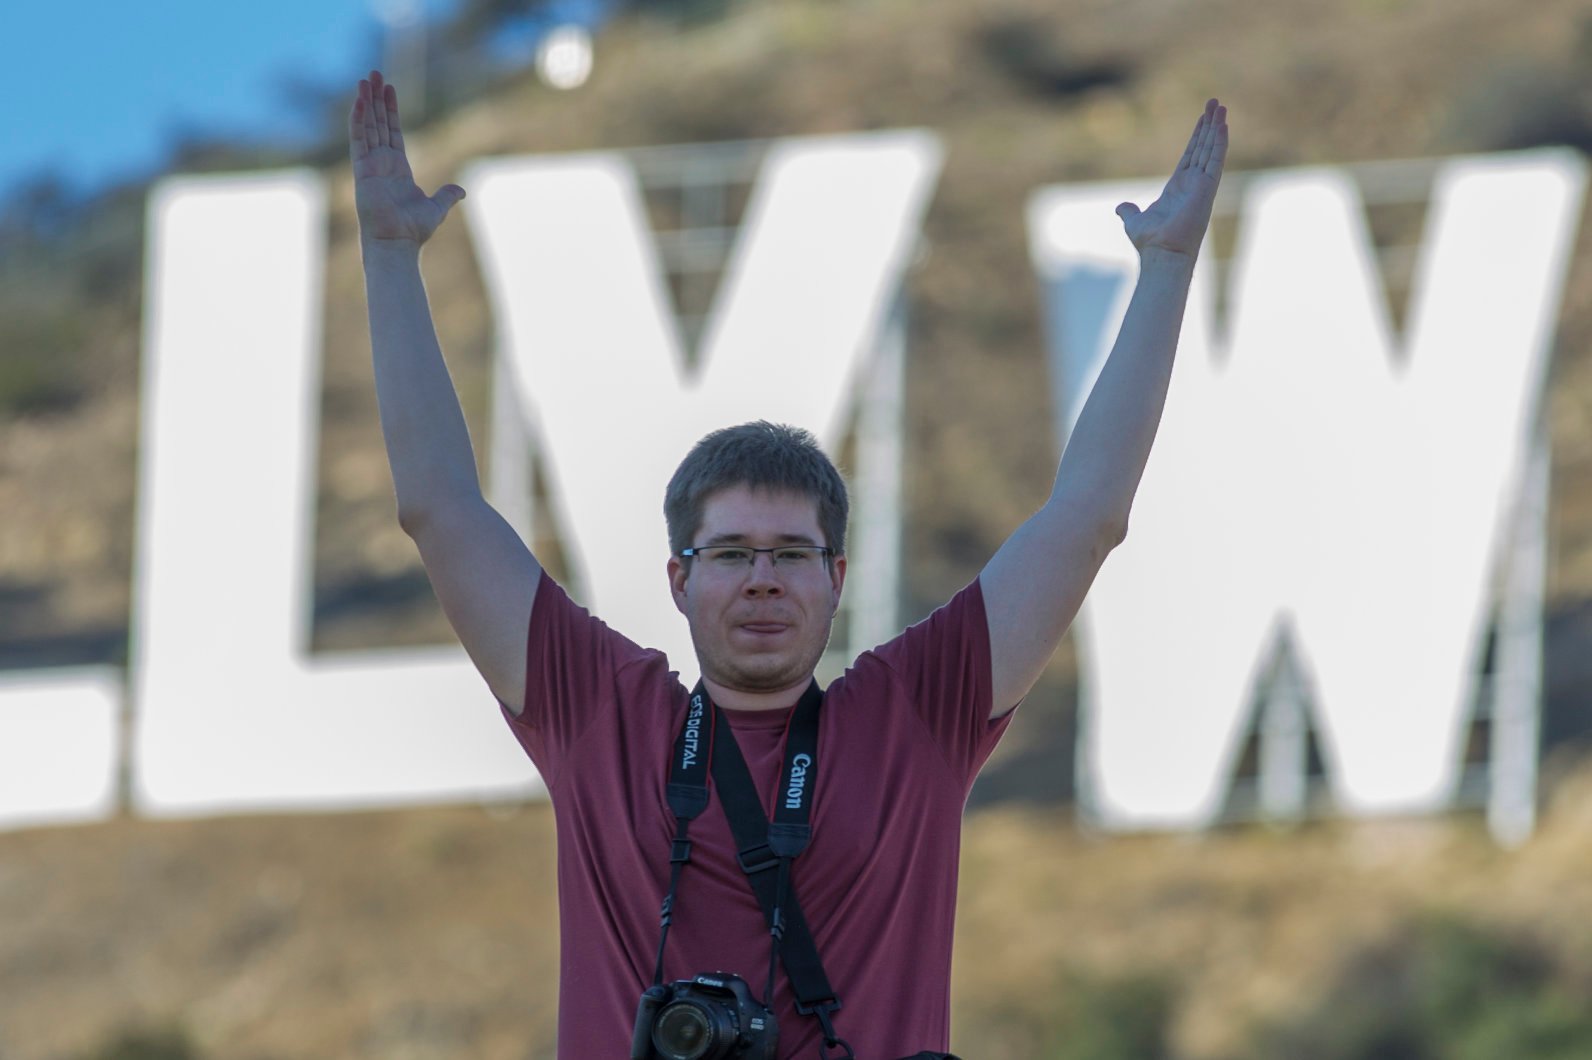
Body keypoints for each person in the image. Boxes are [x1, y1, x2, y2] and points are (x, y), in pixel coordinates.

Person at [350, 68, 1228, 1058]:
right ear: (678, 579)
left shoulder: (912, 715)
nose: (762, 577)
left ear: (837, 578)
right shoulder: (599, 713)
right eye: (729, 553)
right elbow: (440, 511)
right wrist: (388, 256)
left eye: (790, 554)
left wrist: (1163, 270)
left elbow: (1085, 519)